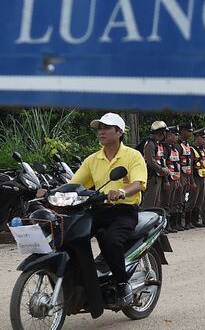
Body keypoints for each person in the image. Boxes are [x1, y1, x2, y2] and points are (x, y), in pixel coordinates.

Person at [70, 112, 147, 306]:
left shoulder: (133, 156)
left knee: (110, 240)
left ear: (119, 132)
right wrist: (51, 193)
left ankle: (122, 284)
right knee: (71, 235)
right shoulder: (92, 159)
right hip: (98, 209)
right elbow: (74, 184)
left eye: (106, 128)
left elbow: (138, 184)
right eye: (99, 128)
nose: (101, 132)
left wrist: (121, 192)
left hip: (124, 210)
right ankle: (80, 278)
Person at [140, 120, 169, 209]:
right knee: (150, 202)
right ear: (160, 132)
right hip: (152, 177)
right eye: (164, 132)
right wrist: (162, 170)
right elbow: (151, 161)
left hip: (158, 177)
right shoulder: (150, 144)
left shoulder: (158, 144)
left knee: (156, 202)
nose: (165, 135)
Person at [161, 126, 182, 232]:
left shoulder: (174, 148)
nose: (177, 137)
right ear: (169, 136)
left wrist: (178, 179)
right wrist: (166, 180)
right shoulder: (165, 148)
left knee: (174, 202)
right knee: (166, 203)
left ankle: (173, 225)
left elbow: (177, 165)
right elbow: (164, 165)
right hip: (168, 180)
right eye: (175, 135)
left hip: (175, 179)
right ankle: (165, 225)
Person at [176, 121, 195, 229]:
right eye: (188, 131)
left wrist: (191, 180)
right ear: (182, 131)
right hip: (180, 175)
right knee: (178, 199)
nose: (190, 134)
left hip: (187, 174)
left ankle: (183, 222)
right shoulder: (178, 145)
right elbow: (175, 163)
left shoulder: (187, 145)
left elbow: (190, 163)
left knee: (183, 198)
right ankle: (177, 223)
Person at [190, 128, 205, 228]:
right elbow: (190, 167)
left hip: (203, 178)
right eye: (202, 138)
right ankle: (189, 221)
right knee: (193, 200)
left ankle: (196, 220)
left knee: (199, 200)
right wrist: (192, 182)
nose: (204, 140)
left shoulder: (203, 150)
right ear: (197, 138)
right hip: (196, 178)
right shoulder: (192, 150)